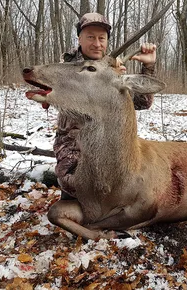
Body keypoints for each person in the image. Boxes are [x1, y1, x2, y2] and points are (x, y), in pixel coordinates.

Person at [54, 13, 157, 200]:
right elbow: (71, 100)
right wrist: (107, 82)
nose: (97, 44)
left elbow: (142, 103)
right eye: (90, 37)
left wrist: (147, 67)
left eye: (102, 38)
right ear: (79, 39)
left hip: (108, 146)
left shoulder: (112, 68)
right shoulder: (66, 67)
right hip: (74, 146)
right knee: (78, 191)